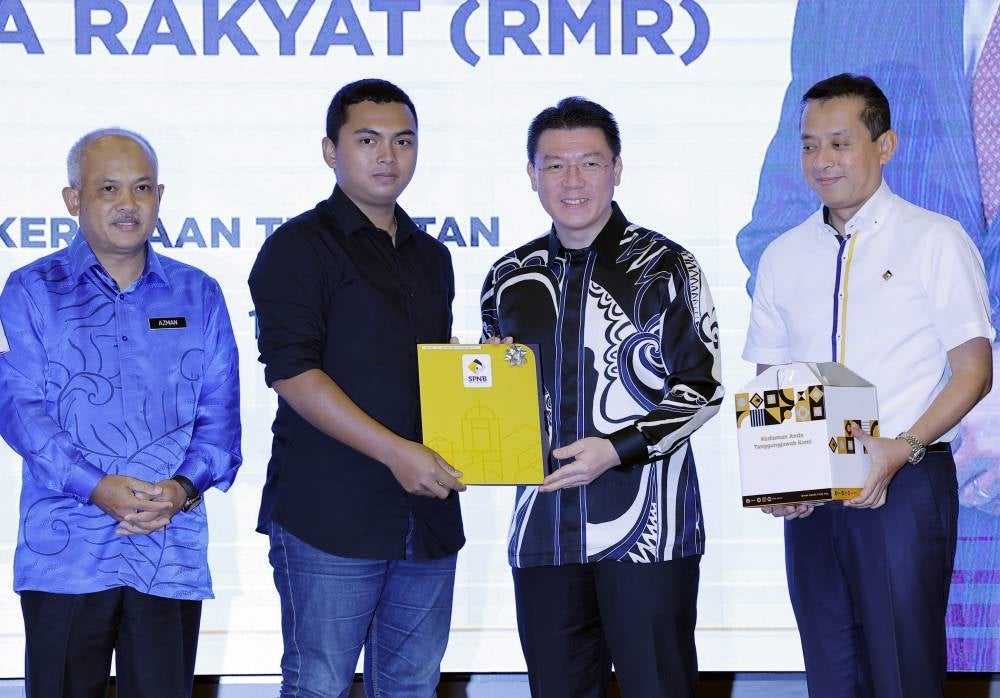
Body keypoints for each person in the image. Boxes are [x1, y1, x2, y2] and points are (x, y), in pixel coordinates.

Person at [737, 6, 1000, 669]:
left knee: (903, 668)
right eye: (809, 144)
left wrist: (902, 447)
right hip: (812, 488)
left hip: (908, 479)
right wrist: (778, 476)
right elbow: (770, 378)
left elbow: (973, 366)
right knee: (830, 668)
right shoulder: (783, 254)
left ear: (884, 146)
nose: (822, 160)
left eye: (840, 142)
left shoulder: (934, 239)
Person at [480, 97, 723, 697]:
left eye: (589, 163)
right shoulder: (507, 276)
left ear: (616, 169)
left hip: (651, 536)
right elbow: (495, 394)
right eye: (554, 165)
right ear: (531, 174)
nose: (572, 180)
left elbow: (705, 388)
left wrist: (616, 450)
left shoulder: (667, 267)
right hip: (543, 532)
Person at [0, 128, 242, 697]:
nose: (128, 204)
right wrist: (96, 487)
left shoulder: (198, 293)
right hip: (66, 549)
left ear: (160, 197)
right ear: (73, 199)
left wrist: (183, 489)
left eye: (141, 188)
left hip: (168, 544)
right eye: (108, 188)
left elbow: (220, 417)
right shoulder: (31, 290)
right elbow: (20, 410)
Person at [248, 78, 465, 697]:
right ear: (330, 150)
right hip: (330, 517)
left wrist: (482, 374)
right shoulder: (296, 248)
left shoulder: (431, 255)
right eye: (367, 140)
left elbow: (422, 372)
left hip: (425, 517)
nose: (387, 156)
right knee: (319, 686)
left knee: (412, 688)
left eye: (403, 141)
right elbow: (292, 372)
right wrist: (397, 452)